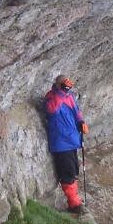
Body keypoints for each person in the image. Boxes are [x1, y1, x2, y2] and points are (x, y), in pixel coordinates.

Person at [44, 75, 89, 214]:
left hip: (71, 140)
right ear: (58, 85)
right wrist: (61, 92)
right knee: (68, 173)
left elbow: (76, 111)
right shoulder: (52, 98)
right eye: (64, 85)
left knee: (74, 170)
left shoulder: (69, 97)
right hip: (61, 142)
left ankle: (75, 200)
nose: (67, 88)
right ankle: (74, 204)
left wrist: (81, 122)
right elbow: (52, 111)